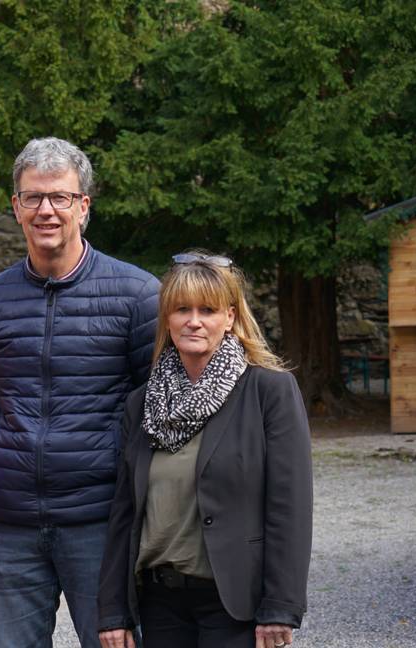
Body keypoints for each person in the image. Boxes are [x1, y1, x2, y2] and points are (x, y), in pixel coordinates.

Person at [0, 136, 160, 647]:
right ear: (16, 207)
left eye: (60, 197)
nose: (47, 209)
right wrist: (9, 460)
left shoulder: (137, 296)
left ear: (83, 206)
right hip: (11, 524)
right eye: (33, 197)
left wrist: (115, 476)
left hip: (101, 521)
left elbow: (153, 406)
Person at [96, 252, 312, 648]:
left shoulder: (269, 392)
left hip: (233, 603)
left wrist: (280, 605)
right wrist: (113, 610)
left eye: (207, 310)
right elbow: (124, 510)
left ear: (229, 317)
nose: (193, 321)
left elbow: (289, 506)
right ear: (167, 318)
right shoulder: (142, 403)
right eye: (182, 309)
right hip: (159, 602)